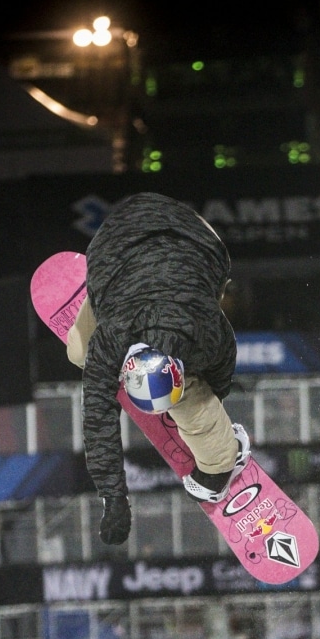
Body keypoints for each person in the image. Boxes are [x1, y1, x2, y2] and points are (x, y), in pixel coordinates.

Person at [60, 192, 252, 549]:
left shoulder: (204, 330)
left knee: (194, 403)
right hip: (117, 242)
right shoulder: (109, 342)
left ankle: (226, 457)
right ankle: (205, 427)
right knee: (80, 352)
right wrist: (113, 499)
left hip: (198, 239)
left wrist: (214, 401)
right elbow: (98, 421)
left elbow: (222, 364)